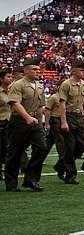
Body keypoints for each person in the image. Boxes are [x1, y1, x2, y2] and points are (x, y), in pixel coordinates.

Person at [4, 57, 47, 192]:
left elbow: (40, 106)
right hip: (19, 121)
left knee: (41, 148)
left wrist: (40, 122)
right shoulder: (18, 85)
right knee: (15, 152)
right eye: (34, 69)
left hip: (34, 121)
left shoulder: (40, 86)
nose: (37, 72)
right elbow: (15, 103)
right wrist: (27, 117)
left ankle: (31, 179)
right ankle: (11, 183)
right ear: (26, 70)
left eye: (38, 70)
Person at [53, 59, 84, 185]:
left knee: (82, 143)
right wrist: (63, 122)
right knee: (70, 146)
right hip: (69, 115)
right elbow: (62, 104)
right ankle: (70, 174)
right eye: (81, 70)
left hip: (79, 116)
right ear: (73, 71)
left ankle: (61, 165)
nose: (83, 72)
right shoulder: (66, 84)